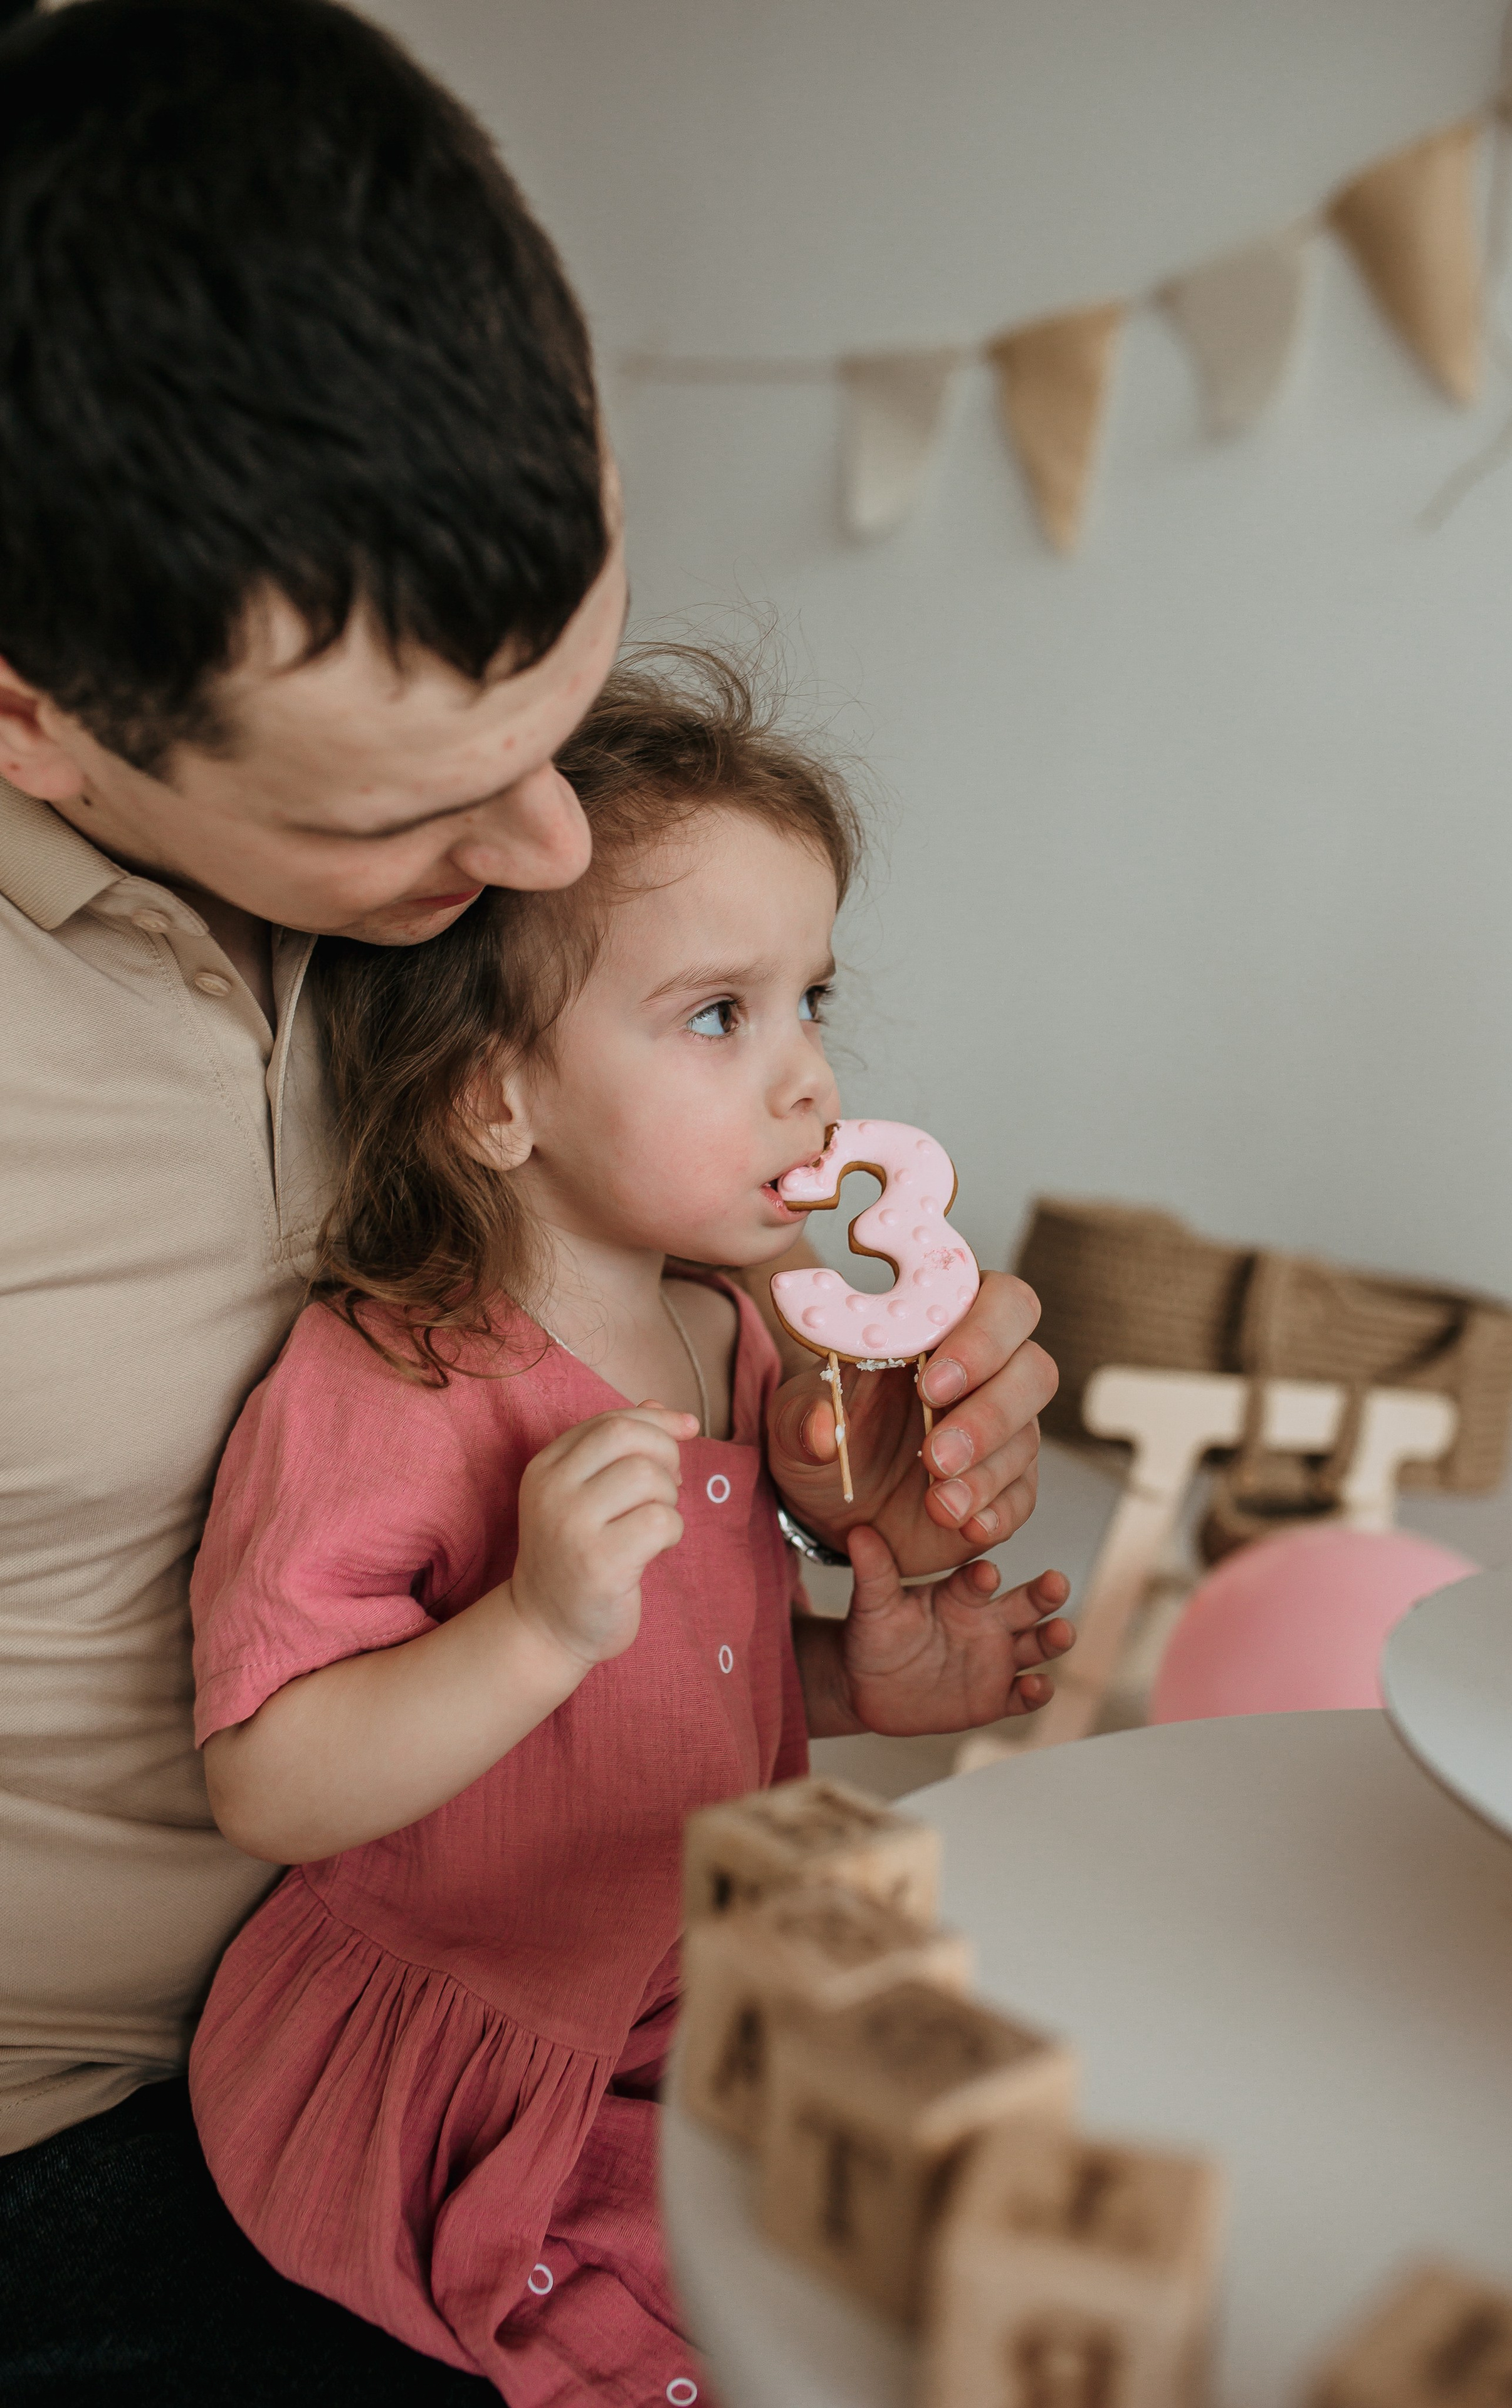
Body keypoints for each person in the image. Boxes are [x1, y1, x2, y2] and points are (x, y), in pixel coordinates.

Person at [0, 3, 1056, 2397]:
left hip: (626, 1965)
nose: (550, 845)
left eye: (558, 707)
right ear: (38, 718)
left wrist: (887, 1473)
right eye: (407, 815)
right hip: (138, 2130)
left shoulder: (544, 950)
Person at [182, 649, 1073, 2403]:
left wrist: (857, 1679)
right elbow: (267, 1783)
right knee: (724, 2330)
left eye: (812, 998)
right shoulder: (397, 1375)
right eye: (720, 1015)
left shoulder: (734, 1333)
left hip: (690, 1982)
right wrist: (528, 1625)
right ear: (492, 1095)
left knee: (972, 2210)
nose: (812, 1080)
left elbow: (678, 1683)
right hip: (482, 2044)